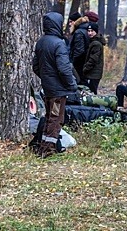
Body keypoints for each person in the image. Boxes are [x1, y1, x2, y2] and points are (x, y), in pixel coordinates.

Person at [32, 12, 77, 158]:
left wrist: (46, 78)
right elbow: (64, 69)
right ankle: (47, 150)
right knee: (56, 119)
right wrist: (72, 85)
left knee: (49, 116)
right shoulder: (59, 44)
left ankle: (42, 146)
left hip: (48, 88)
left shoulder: (41, 42)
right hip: (58, 91)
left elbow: (35, 66)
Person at [83, 22, 106, 94]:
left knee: (92, 93)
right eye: (88, 31)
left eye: (92, 31)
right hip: (94, 73)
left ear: (96, 31)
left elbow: (93, 59)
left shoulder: (96, 44)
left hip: (94, 73)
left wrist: (85, 69)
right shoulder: (94, 41)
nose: (90, 33)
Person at [69, 14, 89, 85]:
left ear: (75, 21)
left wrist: (73, 62)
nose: (69, 24)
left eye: (71, 21)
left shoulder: (78, 32)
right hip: (85, 64)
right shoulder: (84, 30)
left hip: (80, 65)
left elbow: (79, 51)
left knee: (80, 83)